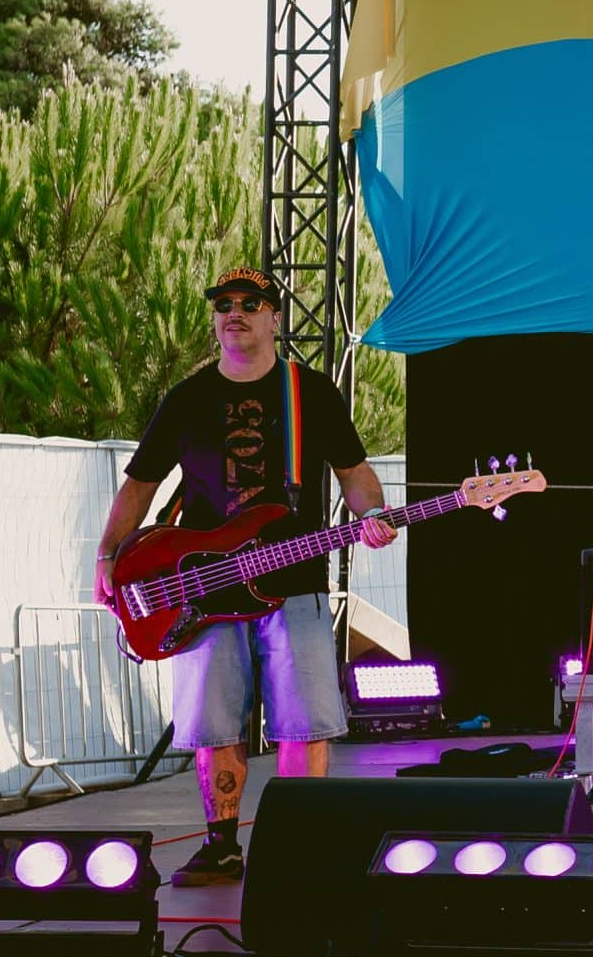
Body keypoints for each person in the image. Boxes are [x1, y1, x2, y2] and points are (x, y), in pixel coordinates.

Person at [92, 267, 393, 888]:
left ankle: (296, 848)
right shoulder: (188, 398)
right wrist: (107, 557)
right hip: (202, 590)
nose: (235, 312)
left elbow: (355, 474)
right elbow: (140, 486)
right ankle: (221, 845)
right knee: (214, 725)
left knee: (303, 722)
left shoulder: (309, 392)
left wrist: (373, 515)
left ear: (274, 318)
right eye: (224, 303)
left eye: (251, 303)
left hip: (295, 581)